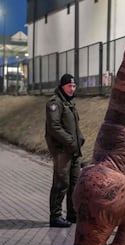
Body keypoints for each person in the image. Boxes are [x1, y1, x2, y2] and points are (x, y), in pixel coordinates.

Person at [45, 74, 85, 228]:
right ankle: (55, 216)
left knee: (75, 183)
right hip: (63, 150)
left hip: (74, 150)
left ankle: (72, 214)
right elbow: (54, 127)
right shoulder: (55, 103)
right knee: (61, 183)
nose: (72, 89)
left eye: (74, 86)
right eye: (69, 86)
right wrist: (70, 141)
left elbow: (74, 125)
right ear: (62, 86)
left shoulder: (70, 102)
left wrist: (79, 139)